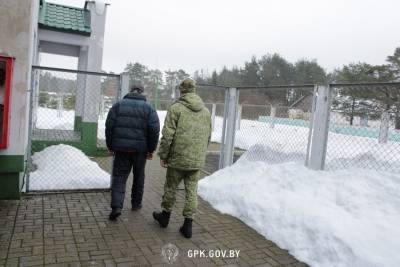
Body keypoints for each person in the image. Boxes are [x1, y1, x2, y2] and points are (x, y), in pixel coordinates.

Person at [153, 78, 211, 238]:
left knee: (171, 188)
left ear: (182, 90)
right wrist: (199, 155)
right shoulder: (206, 111)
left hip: (177, 159)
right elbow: (208, 136)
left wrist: (164, 155)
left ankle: (164, 217)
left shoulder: (176, 108)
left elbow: (168, 134)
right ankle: (188, 225)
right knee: (192, 191)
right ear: (194, 90)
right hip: (196, 160)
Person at [105, 85, 160, 220]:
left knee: (119, 177)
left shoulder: (118, 106)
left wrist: (111, 146)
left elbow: (109, 127)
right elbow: (154, 131)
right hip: (140, 151)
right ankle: (136, 204)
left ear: (129, 92)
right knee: (139, 176)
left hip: (121, 149)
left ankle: (117, 207)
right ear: (142, 93)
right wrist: (151, 149)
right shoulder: (149, 108)